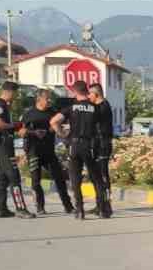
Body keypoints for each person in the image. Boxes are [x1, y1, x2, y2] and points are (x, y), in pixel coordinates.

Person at [19, 87, 75, 214]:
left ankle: (68, 206)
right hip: (33, 151)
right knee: (36, 180)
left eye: (50, 98)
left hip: (49, 151)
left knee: (60, 178)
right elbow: (21, 132)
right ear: (39, 99)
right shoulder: (28, 114)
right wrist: (34, 132)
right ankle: (40, 206)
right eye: (47, 98)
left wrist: (53, 129)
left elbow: (60, 125)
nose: (50, 100)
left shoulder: (53, 112)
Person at [57, 81, 100, 220]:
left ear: (75, 92)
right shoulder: (94, 107)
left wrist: (62, 134)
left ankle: (80, 209)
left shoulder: (70, 107)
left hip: (74, 145)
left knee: (75, 178)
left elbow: (53, 121)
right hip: (89, 145)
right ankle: (103, 207)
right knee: (95, 177)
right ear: (86, 91)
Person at [0, 81, 33, 218]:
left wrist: (15, 127)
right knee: (14, 176)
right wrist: (14, 125)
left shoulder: (5, 106)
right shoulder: (0, 105)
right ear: (9, 91)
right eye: (15, 93)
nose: (16, 96)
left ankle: (2, 208)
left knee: (4, 177)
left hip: (5, 144)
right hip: (1, 144)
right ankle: (20, 208)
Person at [87, 84, 116, 218]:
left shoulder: (103, 107)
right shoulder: (96, 107)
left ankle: (106, 204)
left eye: (90, 94)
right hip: (96, 143)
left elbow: (94, 118)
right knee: (95, 175)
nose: (88, 97)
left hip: (103, 143)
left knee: (103, 174)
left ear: (96, 94)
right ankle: (99, 203)